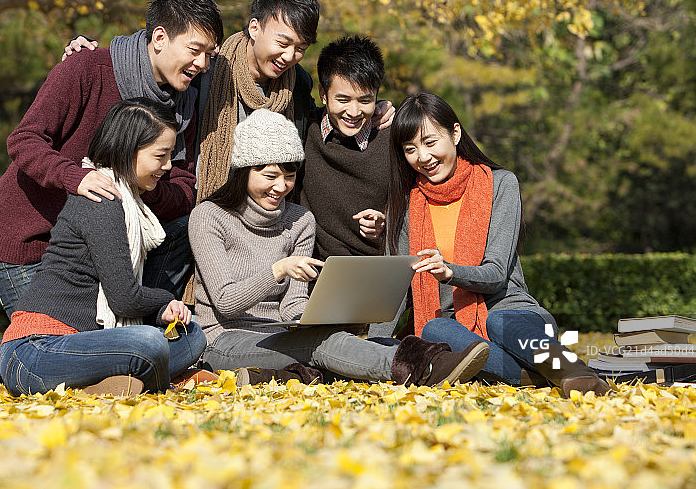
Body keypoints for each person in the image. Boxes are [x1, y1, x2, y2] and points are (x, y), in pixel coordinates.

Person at [0, 0, 222, 380]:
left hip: (98, 243)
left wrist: (131, 189)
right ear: (160, 38)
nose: (202, 63)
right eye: (195, 50)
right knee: (46, 350)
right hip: (26, 242)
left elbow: (185, 184)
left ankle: (139, 347)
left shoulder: (181, 100)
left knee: (92, 350)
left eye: (209, 54)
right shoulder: (87, 68)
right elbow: (24, 140)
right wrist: (78, 177)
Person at [188, 108, 490, 387]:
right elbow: (226, 302)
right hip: (223, 340)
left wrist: (328, 311)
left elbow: (292, 306)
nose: (280, 187)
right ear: (244, 171)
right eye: (270, 176)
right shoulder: (209, 217)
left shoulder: (300, 219)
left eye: (290, 176)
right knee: (321, 345)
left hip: (281, 335)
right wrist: (278, 270)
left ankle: (280, 376)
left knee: (334, 341)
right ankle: (423, 367)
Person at [0, 99, 207, 395]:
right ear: (128, 151)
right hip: (37, 347)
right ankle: (130, 380)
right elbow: (125, 300)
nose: (167, 167)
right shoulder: (104, 201)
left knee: (193, 337)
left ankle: (110, 382)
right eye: (160, 156)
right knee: (149, 343)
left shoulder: (132, 206)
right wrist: (166, 298)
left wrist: (166, 311)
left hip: (82, 344)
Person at [64, 0, 395, 205]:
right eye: (283, 42)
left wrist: (369, 109)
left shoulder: (298, 85)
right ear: (254, 27)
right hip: (190, 206)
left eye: (300, 48)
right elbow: (156, 56)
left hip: (265, 216)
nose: (289, 56)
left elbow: (319, 122)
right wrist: (90, 51)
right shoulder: (208, 67)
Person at [369, 93, 610, 397]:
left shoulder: (500, 184)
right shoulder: (406, 204)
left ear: (455, 134)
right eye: (410, 149)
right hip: (457, 330)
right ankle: (531, 375)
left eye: (430, 143)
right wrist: (373, 345)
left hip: (515, 317)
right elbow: (397, 285)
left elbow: (496, 274)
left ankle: (572, 372)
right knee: (432, 330)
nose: (423, 157)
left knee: (499, 321)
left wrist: (449, 272)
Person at [298, 36, 389, 259]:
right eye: (343, 99)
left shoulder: (392, 139)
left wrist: (388, 223)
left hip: (379, 268)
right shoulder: (303, 131)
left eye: (365, 101)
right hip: (317, 272)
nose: (354, 112)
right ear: (323, 94)